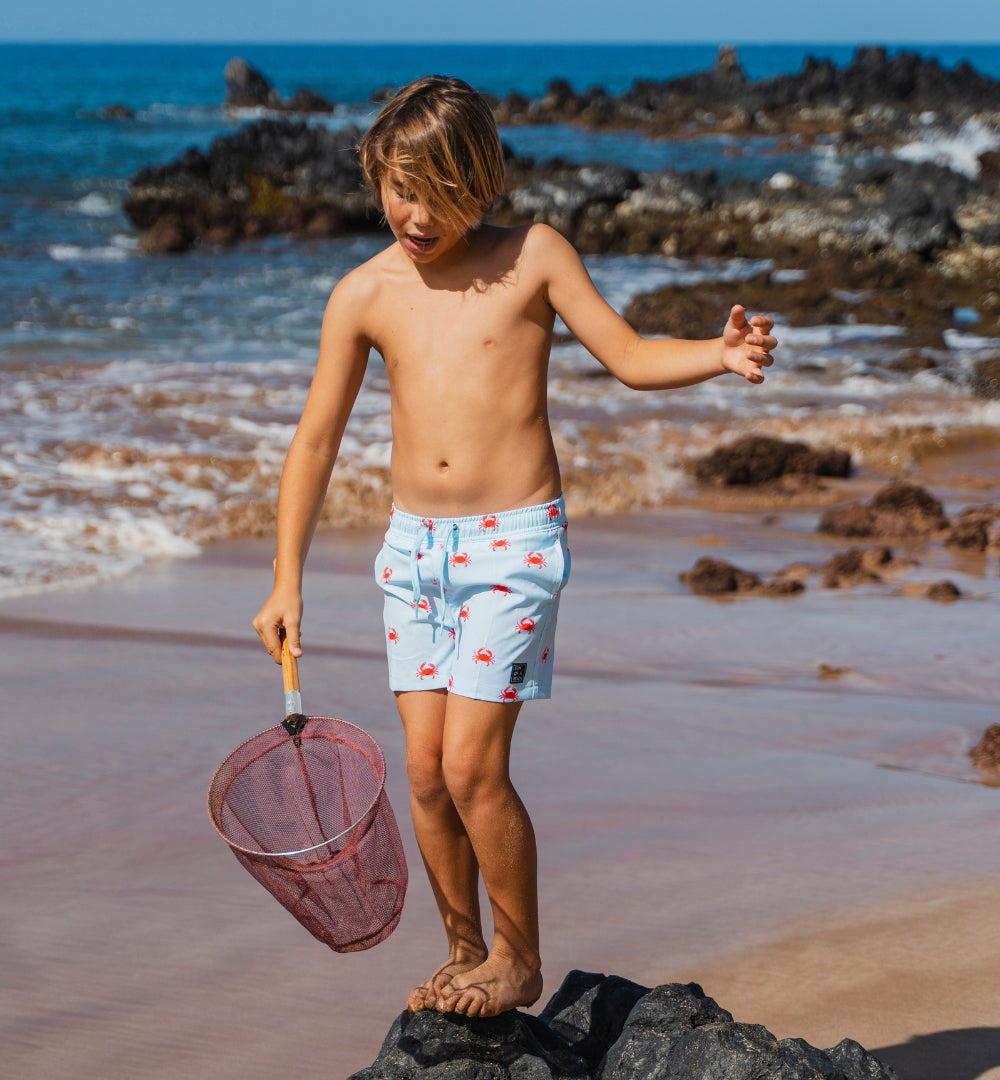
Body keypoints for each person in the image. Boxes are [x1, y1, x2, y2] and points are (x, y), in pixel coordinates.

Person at [252, 75, 777, 1019]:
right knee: (420, 772)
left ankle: (520, 957)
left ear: (482, 182)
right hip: (415, 554)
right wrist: (285, 577)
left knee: (471, 768)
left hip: (513, 548)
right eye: (399, 188)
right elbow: (316, 439)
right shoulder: (362, 294)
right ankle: (465, 954)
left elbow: (627, 355)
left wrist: (717, 353)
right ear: (376, 175)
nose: (416, 213)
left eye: (439, 192)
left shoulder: (533, 258)